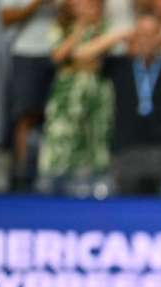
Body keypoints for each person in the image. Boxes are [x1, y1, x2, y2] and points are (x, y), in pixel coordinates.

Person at [73, 13, 161, 195]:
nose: (146, 40)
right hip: (128, 150)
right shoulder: (121, 64)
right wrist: (117, 36)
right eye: (141, 34)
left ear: (160, 37)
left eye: (151, 34)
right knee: (130, 213)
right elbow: (80, 55)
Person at [36, 0, 114, 194]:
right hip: (67, 96)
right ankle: (49, 190)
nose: (86, 5)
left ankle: (90, 192)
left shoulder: (105, 28)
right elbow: (58, 56)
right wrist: (79, 29)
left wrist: (76, 58)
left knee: (93, 142)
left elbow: (94, 60)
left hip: (96, 95)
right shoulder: (60, 27)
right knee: (59, 139)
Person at [1, 0, 58, 188]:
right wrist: (36, 4)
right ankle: (21, 174)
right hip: (26, 52)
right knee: (24, 115)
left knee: (54, 115)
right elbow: (5, 17)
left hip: (57, 49)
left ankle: (51, 172)